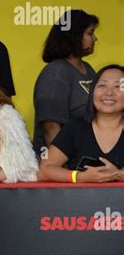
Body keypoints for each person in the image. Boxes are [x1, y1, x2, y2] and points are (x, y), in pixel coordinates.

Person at [39, 65, 124, 183]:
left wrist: (119, 175)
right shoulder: (75, 127)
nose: (109, 93)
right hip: (81, 201)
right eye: (102, 85)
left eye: (118, 86)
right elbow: (44, 170)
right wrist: (80, 177)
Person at [33, 9, 98, 158]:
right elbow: (51, 127)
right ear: (74, 36)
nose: (95, 38)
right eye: (90, 33)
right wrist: (61, 168)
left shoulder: (88, 68)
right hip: (64, 165)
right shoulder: (55, 73)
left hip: (85, 159)